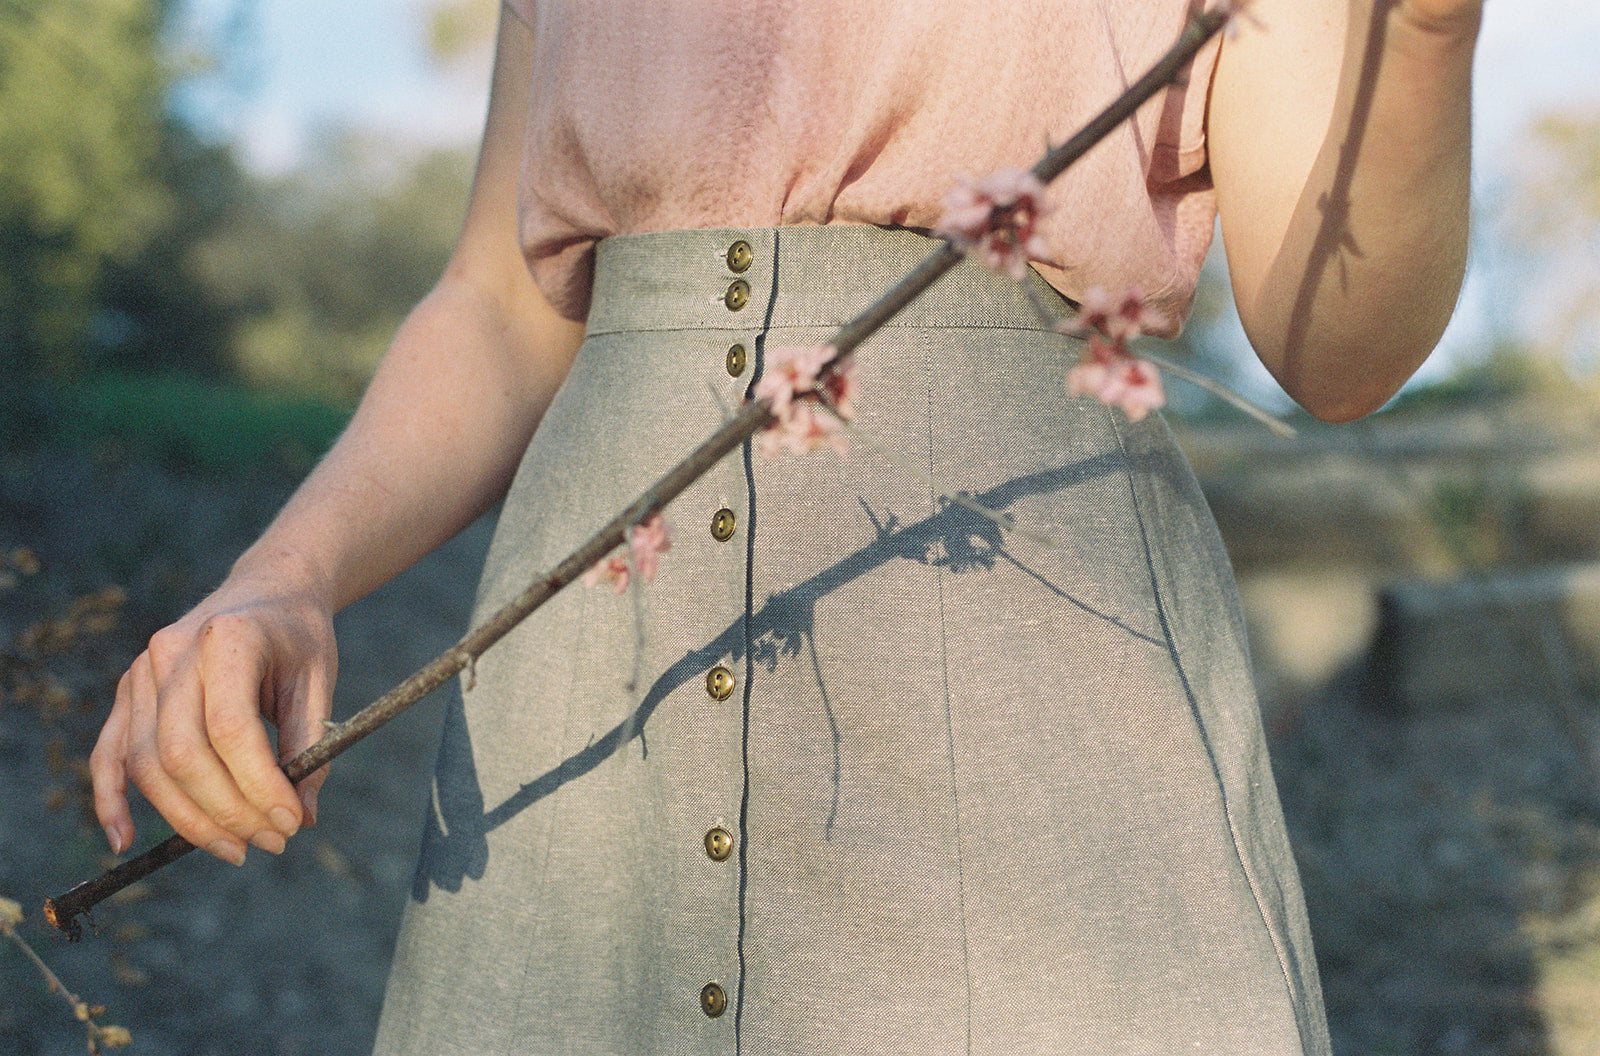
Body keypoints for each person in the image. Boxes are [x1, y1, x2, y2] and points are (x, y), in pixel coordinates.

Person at [90, 0, 1481, 1052]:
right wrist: (282, 575)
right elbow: (504, 303)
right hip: (595, 692)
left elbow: (1335, 347)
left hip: (1031, 698)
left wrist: (1418, 34)